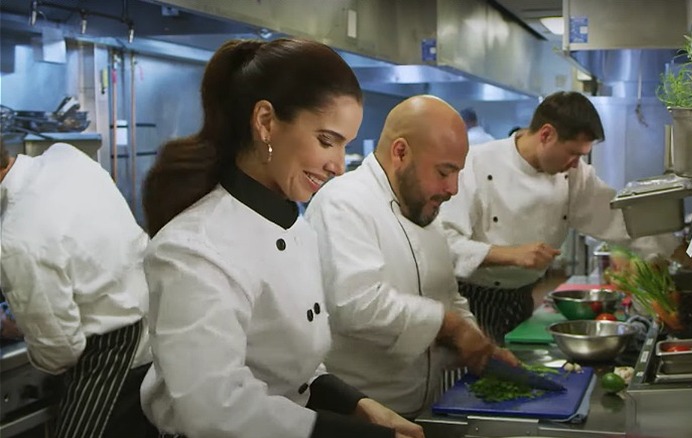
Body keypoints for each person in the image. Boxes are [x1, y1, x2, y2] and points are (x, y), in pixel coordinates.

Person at [140, 38, 422, 438]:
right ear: (266, 122)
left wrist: (357, 405)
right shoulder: (194, 249)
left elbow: (289, 368)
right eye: (327, 141)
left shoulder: (295, 226)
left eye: (344, 145)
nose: (338, 167)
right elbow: (215, 410)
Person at [305, 95, 517, 418]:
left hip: (427, 411)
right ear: (400, 152)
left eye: (458, 172)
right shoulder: (343, 202)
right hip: (362, 421)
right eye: (444, 172)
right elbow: (356, 305)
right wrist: (450, 326)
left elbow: (448, 295)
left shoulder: (423, 209)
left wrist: (478, 344)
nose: (454, 188)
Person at [438, 91, 681, 343]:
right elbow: (445, 244)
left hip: (521, 299)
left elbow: (624, 221)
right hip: (470, 302)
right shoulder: (476, 163)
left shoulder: (575, 177)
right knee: (476, 378)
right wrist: (510, 255)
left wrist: (677, 251)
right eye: (572, 153)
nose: (576, 164)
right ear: (546, 135)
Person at [0, 140, 155, 438]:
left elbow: (59, 352)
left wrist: (19, 327)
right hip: (155, 321)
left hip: (114, 355)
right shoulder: (65, 156)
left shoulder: (18, 239)